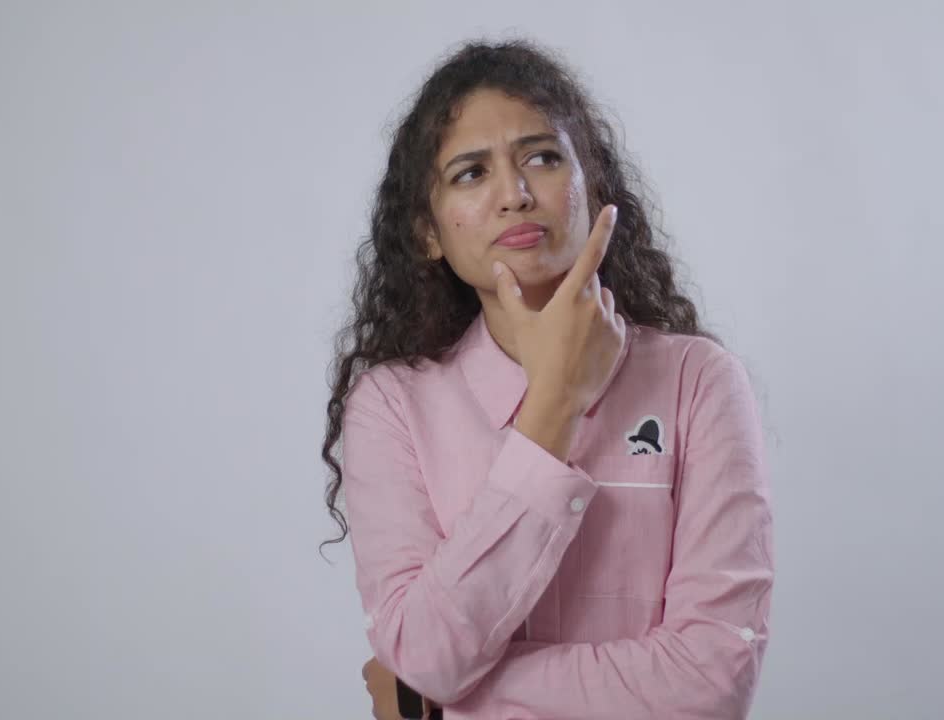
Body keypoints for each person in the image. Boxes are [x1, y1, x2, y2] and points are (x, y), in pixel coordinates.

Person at [320, 37, 775, 720]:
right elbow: (423, 651)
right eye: (471, 173)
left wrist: (439, 704)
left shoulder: (698, 383)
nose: (516, 194)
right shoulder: (391, 405)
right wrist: (554, 408)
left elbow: (713, 682)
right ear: (428, 232)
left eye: (542, 157)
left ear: (592, 186)